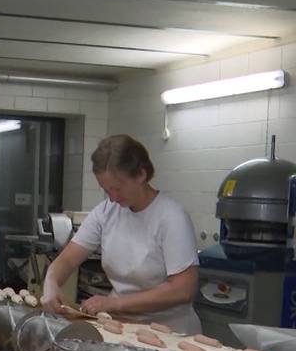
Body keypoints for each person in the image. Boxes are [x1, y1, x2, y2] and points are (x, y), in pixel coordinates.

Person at [41, 134, 200, 334]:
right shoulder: (106, 212)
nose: (113, 197)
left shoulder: (171, 217)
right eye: (106, 190)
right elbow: (67, 260)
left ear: (141, 174)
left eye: (117, 188)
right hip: (122, 327)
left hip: (170, 331)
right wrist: (51, 283)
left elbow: (182, 289)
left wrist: (114, 304)